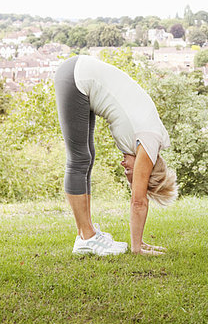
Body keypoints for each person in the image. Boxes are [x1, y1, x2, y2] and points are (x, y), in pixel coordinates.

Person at [54, 55, 178, 256]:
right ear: (144, 168)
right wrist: (137, 248)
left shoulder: (148, 138)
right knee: (79, 159)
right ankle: (87, 237)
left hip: (80, 76)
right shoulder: (149, 142)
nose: (123, 165)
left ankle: (87, 233)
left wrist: (141, 242)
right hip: (78, 77)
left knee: (87, 157)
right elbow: (138, 201)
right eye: (130, 170)